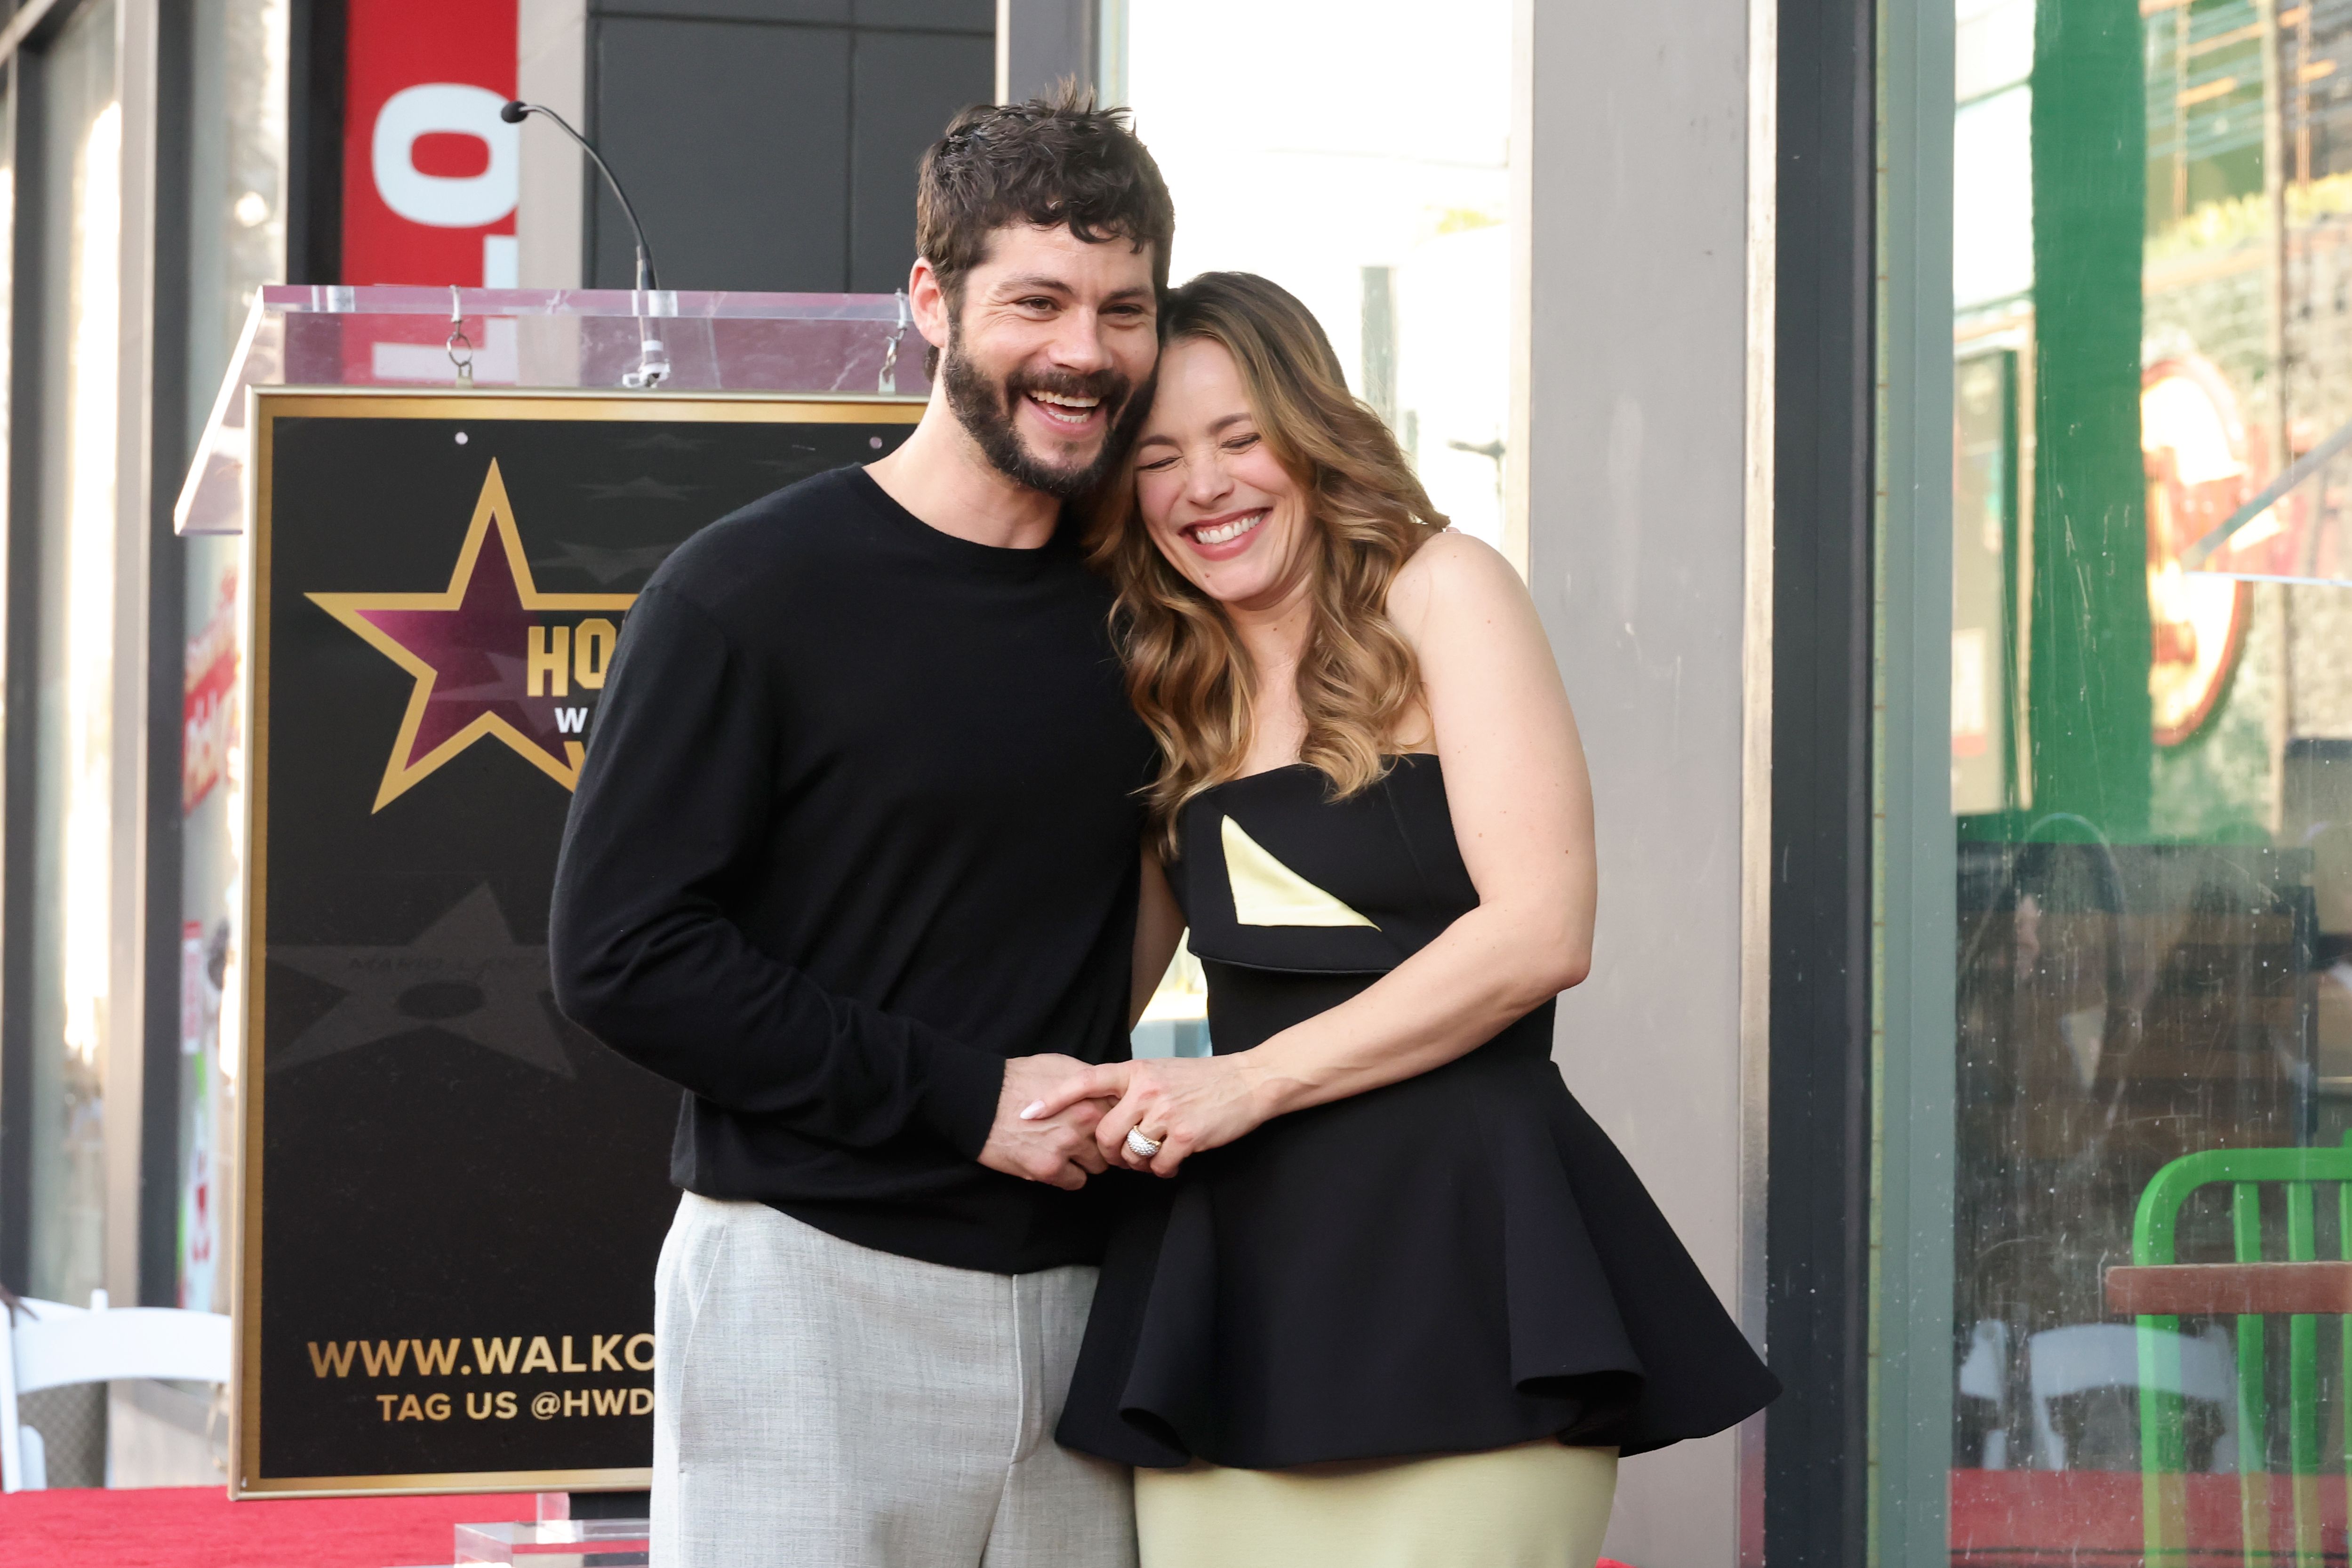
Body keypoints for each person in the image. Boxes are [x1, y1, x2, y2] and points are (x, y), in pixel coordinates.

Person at [1031, 272, 1783, 1568]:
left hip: (1468, 1262)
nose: (1203, 486)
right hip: (1237, 1297)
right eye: (1158, 458)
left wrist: (1246, 1081)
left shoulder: (1444, 589)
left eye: (1237, 437)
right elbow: (1090, 986)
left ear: (1313, 430)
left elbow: (1545, 927)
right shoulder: (1167, 687)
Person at [548, 90, 1173, 1568]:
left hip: (1094, 1306)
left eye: (1123, 307)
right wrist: (966, 1099)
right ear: (932, 302)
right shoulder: (746, 593)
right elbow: (623, 954)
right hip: (809, 1289)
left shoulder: (1156, 617)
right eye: (1037, 300)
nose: (1084, 351)